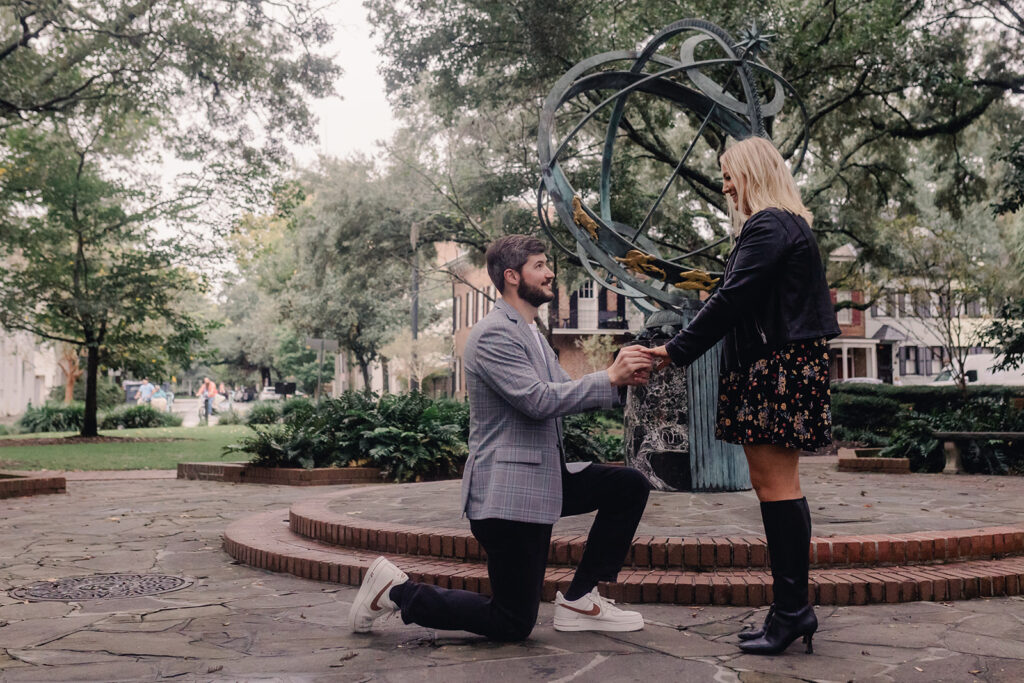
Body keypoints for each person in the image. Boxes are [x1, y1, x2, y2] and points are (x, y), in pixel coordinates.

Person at [349, 235, 654, 641]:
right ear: (512, 276)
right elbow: (537, 400)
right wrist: (609, 376)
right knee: (512, 623)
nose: (550, 273)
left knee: (628, 486)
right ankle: (398, 591)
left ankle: (581, 599)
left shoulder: (529, 332)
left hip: (543, 481)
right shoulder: (493, 335)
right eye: (540, 265)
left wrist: (623, 379)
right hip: (507, 497)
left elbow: (564, 391)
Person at [649, 136, 840, 656]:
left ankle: (793, 611)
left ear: (754, 172)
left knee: (775, 485)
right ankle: (790, 610)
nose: (725, 184)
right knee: (780, 484)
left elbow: (732, 299)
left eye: (730, 174)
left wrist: (676, 349)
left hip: (775, 367)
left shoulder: (769, 224)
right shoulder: (782, 224)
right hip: (781, 363)